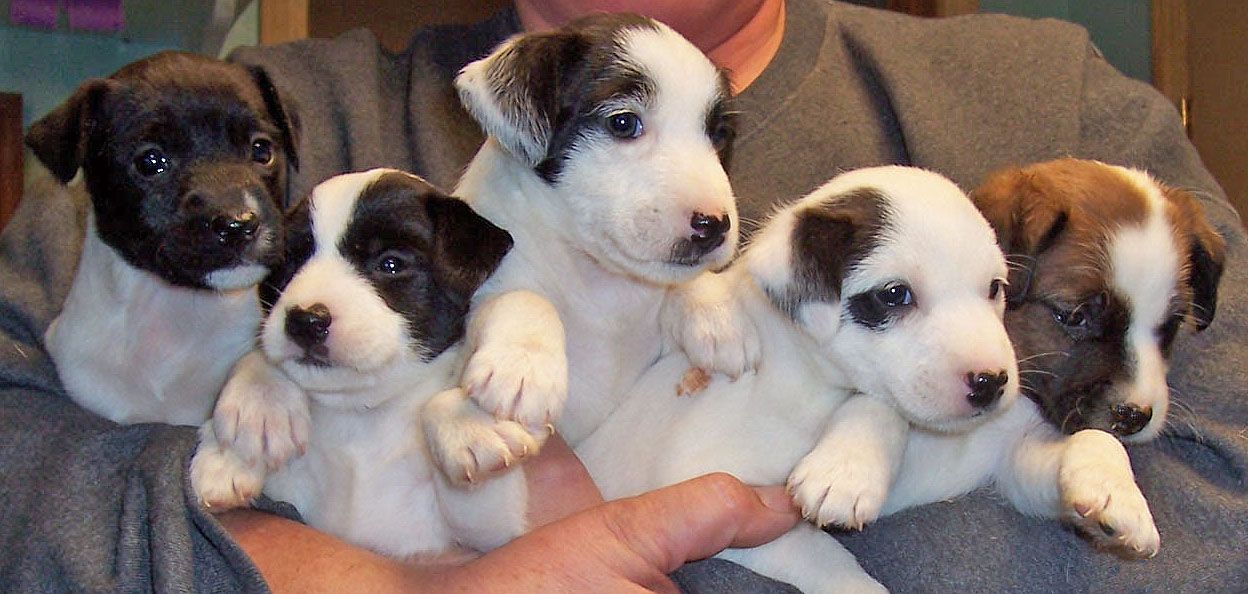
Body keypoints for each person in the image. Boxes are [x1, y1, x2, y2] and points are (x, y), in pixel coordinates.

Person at [2, 0, 1244, 591]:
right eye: (626, 126)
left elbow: (1215, 489)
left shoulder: (1068, 116)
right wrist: (347, 573)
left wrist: (698, 555)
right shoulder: (270, 120)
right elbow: (17, 443)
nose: (700, 202)